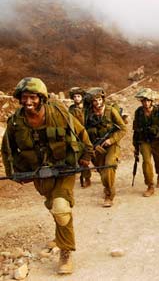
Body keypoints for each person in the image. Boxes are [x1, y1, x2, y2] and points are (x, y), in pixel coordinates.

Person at [1, 77, 94, 274]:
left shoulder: (58, 112)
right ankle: (61, 235)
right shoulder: (16, 122)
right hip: (40, 174)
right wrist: (13, 174)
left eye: (33, 97)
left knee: (61, 208)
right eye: (24, 97)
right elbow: (7, 151)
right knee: (54, 205)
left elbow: (81, 133)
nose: (28, 102)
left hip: (65, 168)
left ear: (41, 98)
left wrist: (86, 156)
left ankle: (66, 252)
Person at [84, 87, 126, 207]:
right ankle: (107, 185)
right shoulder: (88, 114)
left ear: (103, 99)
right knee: (101, 170)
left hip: (111, 145)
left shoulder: (110, 111)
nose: (97, 103)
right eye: (94, 101)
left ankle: (109, 195)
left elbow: (123, 129)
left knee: (108, 166)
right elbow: (83, 131)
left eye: (99, 100)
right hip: (96, 147)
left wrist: (111, 140)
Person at [133, 88, 159, 197]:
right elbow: (136, 130)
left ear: (152, 101)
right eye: (144, 100)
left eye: (148, 100)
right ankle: (150, 185)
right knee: (146, 162)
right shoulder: (139, 112)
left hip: (158, 142)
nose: (146, 103)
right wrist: (135, 146)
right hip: (145, 141)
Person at [68, 87, 92, 188]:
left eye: (78, 96)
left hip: (91, 133)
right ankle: (87, 178)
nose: (76, 98)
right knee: (83, 157)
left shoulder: (88, 108)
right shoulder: (71, 109)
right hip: (79, 135)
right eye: (75, 97)